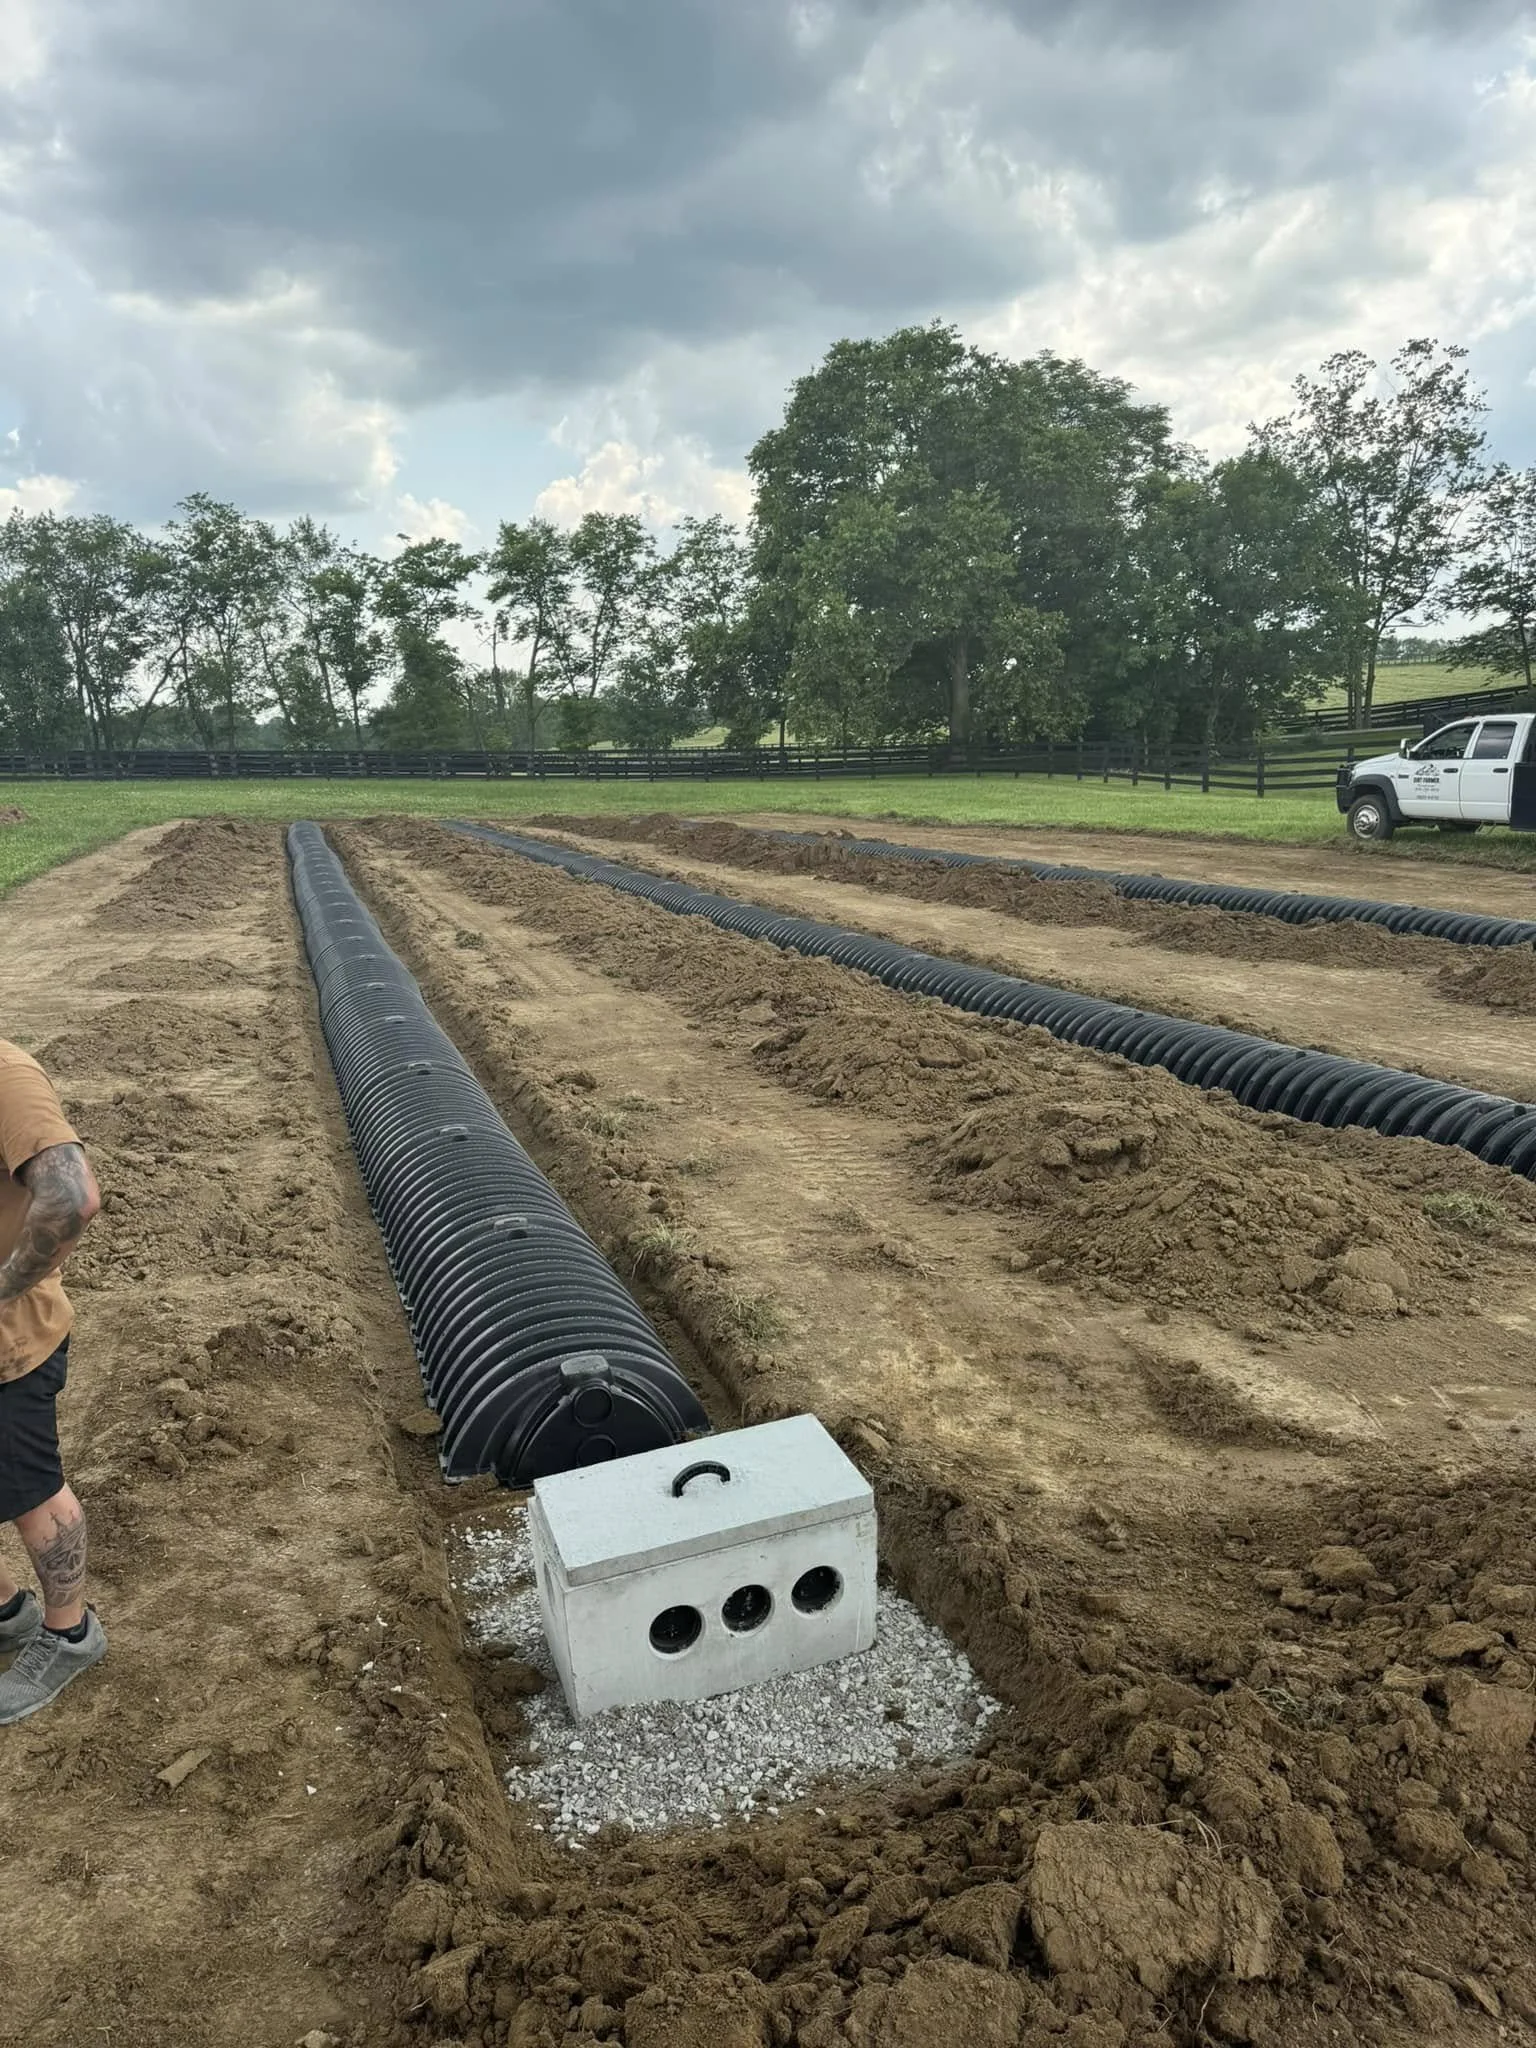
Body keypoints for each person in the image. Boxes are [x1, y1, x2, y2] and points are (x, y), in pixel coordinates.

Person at [0, 1038, 105, 1723]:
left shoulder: (6, 1076)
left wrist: (3, 1289)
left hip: (8, 1346)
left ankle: (69, 1634)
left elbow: (71, 1196)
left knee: (28, 1488)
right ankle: (7, 1613)